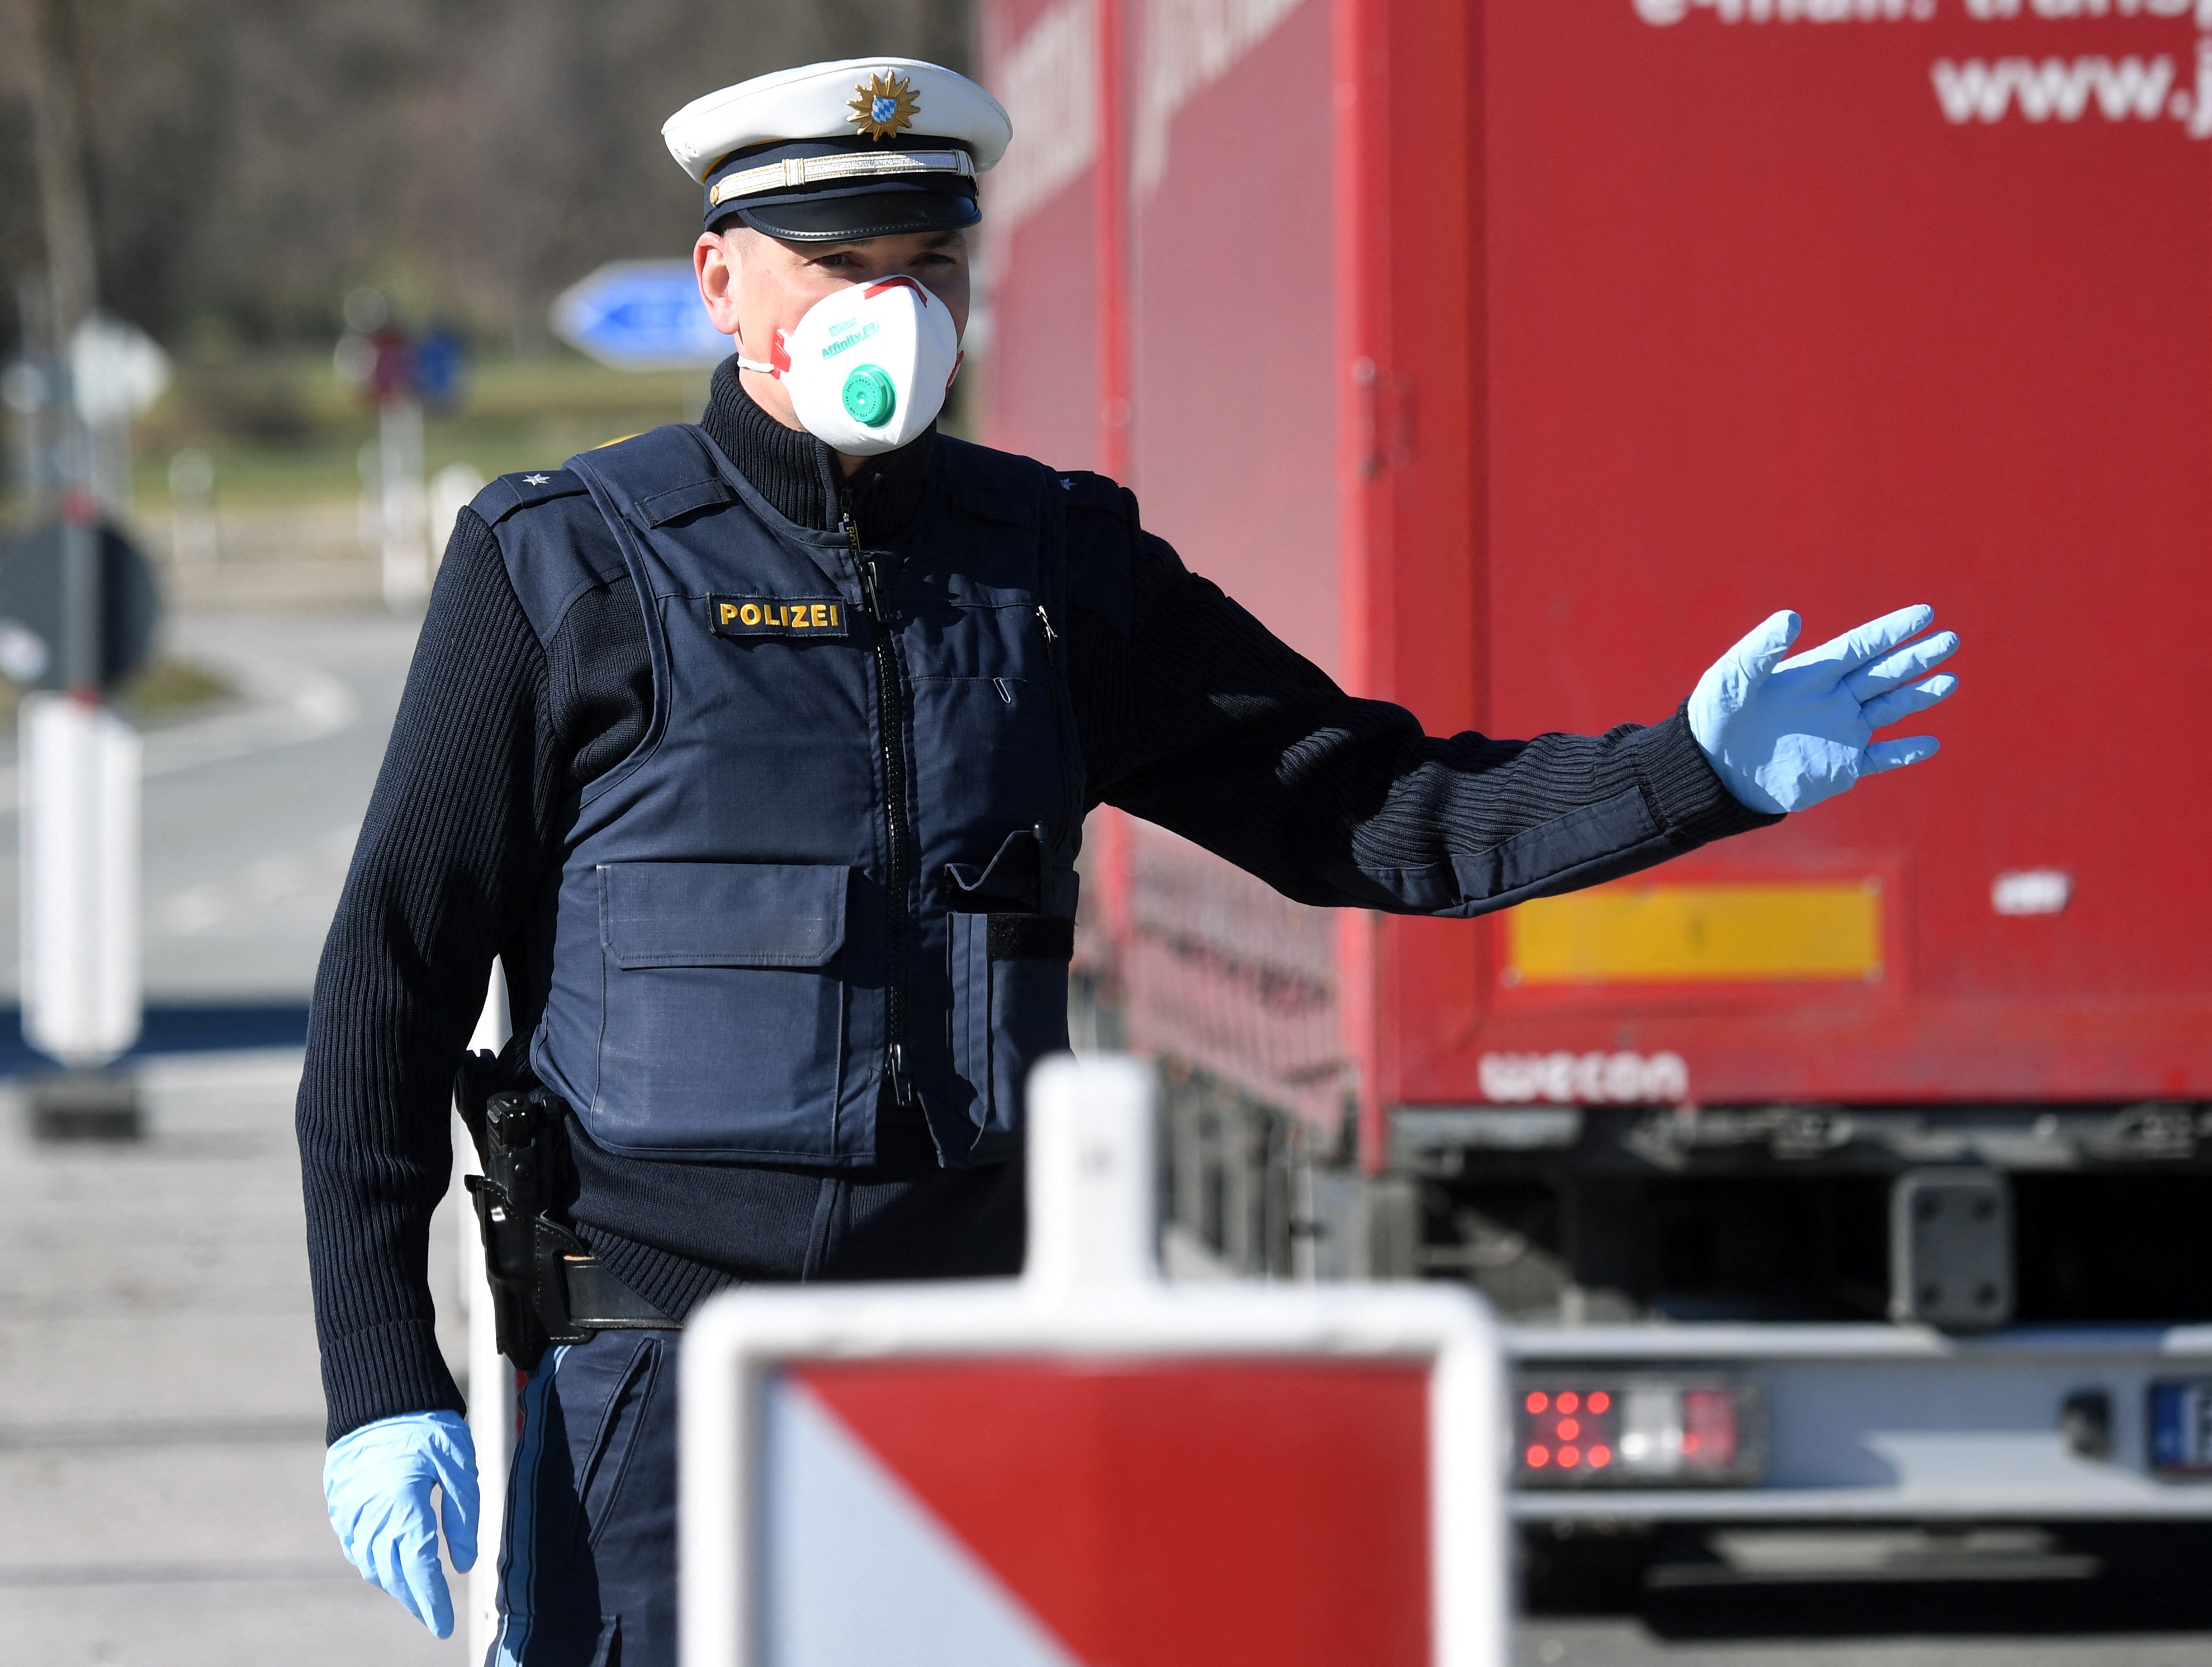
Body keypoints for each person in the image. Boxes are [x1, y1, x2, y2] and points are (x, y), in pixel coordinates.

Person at [301, 54, 1960, 1666]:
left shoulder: (1051, 569)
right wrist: (387, 1376)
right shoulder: (559, 568)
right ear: (725, 284)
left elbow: (1369, 812)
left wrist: (1690, 772)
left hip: (966, 1383)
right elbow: (390, 990)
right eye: (841, 266)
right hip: (651, 1385)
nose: (895, 310)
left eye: (930, 263)